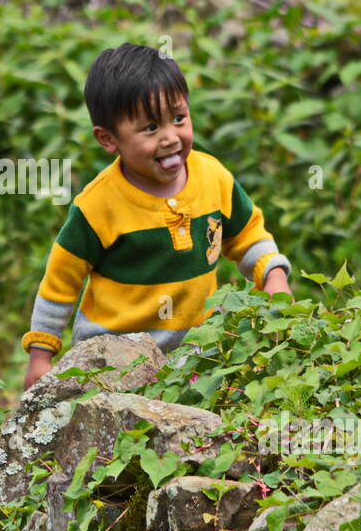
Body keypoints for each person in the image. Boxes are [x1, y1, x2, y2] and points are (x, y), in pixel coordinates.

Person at [21, 42, 293, 390]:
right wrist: (41, 356)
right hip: (112, 359)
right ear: (108, 139)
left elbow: (246, 234)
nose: (170, 138)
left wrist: (272, 273)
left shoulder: (213, 177)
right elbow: (61, 282)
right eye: (150, 128)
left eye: (178, 118)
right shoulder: (97, 205)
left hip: (199, 353)